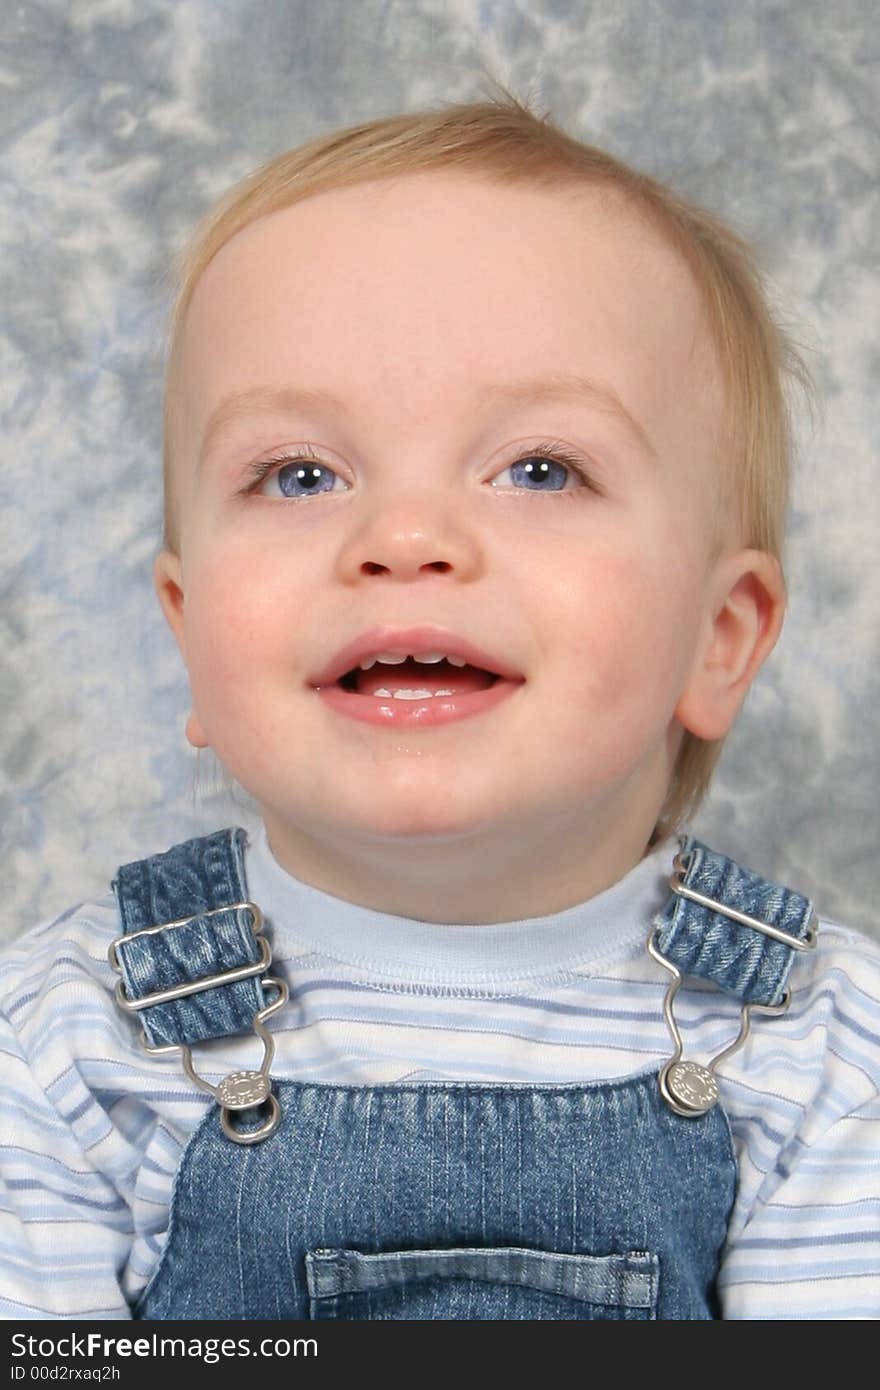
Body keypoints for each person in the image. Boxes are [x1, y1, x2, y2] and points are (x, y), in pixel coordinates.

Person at [2, 91, 878, 1321]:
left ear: (717, 639)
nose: (403, 537)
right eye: (298, 473)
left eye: (538, 468)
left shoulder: (821, 1056)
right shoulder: (64, 1046)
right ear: (190, 633)